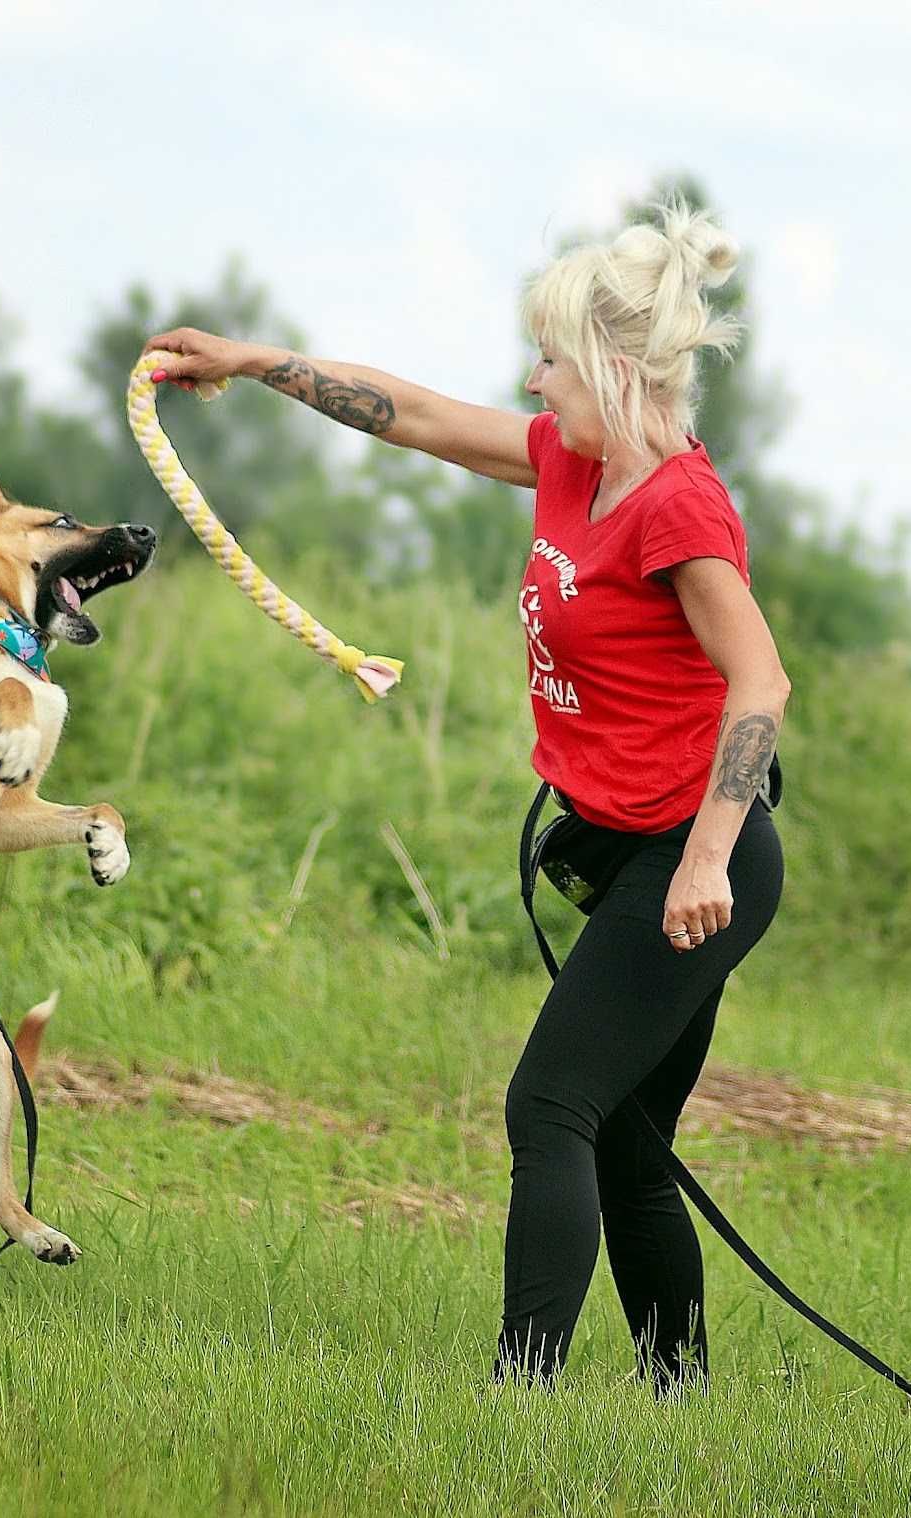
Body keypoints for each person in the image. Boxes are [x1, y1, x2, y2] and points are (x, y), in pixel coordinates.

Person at [143, 200, 789, 1394]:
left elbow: (761, 682)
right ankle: (683, 1397)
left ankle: (519, 1395)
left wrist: (704, 861)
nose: (535, 383)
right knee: (634, 1145)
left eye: (550, 359)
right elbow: (422, 417)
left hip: (698, 861)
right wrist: (251, 361)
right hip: (632, 846)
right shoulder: (569, 463)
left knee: (550, 1107)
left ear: (609, 366)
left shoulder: (678, 508)